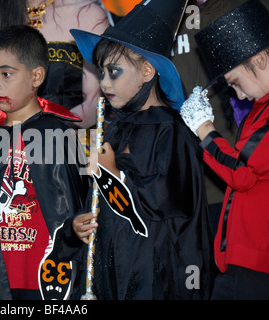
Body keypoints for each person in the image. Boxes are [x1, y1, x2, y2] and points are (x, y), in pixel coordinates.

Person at [70, 0, 214, 299]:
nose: (104, 83)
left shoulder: (172, 131)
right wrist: (83, 221)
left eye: (114, 72)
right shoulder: (113, 128)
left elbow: (167, 200)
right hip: (113, 267)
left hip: (154, 273)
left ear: (147, 71)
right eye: (102, 73)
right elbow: (101, 201)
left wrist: (114, 175)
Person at [0, 25, 90, 300]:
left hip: (49, 282)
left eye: (6, 74)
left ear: (36, 76)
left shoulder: (62, 136)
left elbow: (79, 209)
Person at [180, 0, 269, 299]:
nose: (238, 94)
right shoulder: (259, 110)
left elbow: (241, 174)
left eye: (235, 83)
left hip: (256, 263)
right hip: (242, 258)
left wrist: (205, 130)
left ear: (258, 60)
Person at [0, 0, 109, 130]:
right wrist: (2, 139)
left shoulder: (87, 14)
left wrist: (44, 135)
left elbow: (95, 102)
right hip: (6, 145)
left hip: (72, 142)